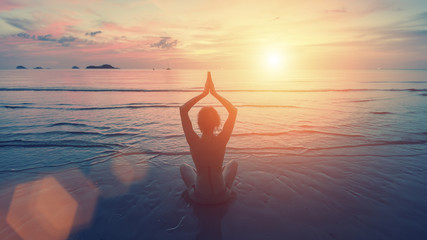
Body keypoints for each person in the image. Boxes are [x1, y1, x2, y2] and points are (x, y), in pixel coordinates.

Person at [180, 72, 238, 204]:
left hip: (200, 197)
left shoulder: (194, 141)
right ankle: (217, 173)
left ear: (199, 123)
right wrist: (215, 93)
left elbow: (183, 110)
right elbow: (233, 111)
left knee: (184, 167)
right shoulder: (222, 140)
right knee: (233, 163)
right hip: (222, 195)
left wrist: (204, 93)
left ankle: (199, 176)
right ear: (217, 123)